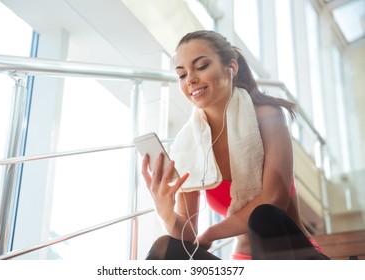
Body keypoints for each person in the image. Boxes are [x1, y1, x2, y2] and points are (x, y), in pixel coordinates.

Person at [141, 30, 329, 260]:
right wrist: (164, 209)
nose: (189, 79)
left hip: (293, 255)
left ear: (231, 68)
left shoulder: (268, 115)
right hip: (243, 262)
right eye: (181, 74)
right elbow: (188, 234)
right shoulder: (188, 144)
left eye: (201, 66)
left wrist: (212, 232)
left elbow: (274, 199)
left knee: (263, 216)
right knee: (165, 248)